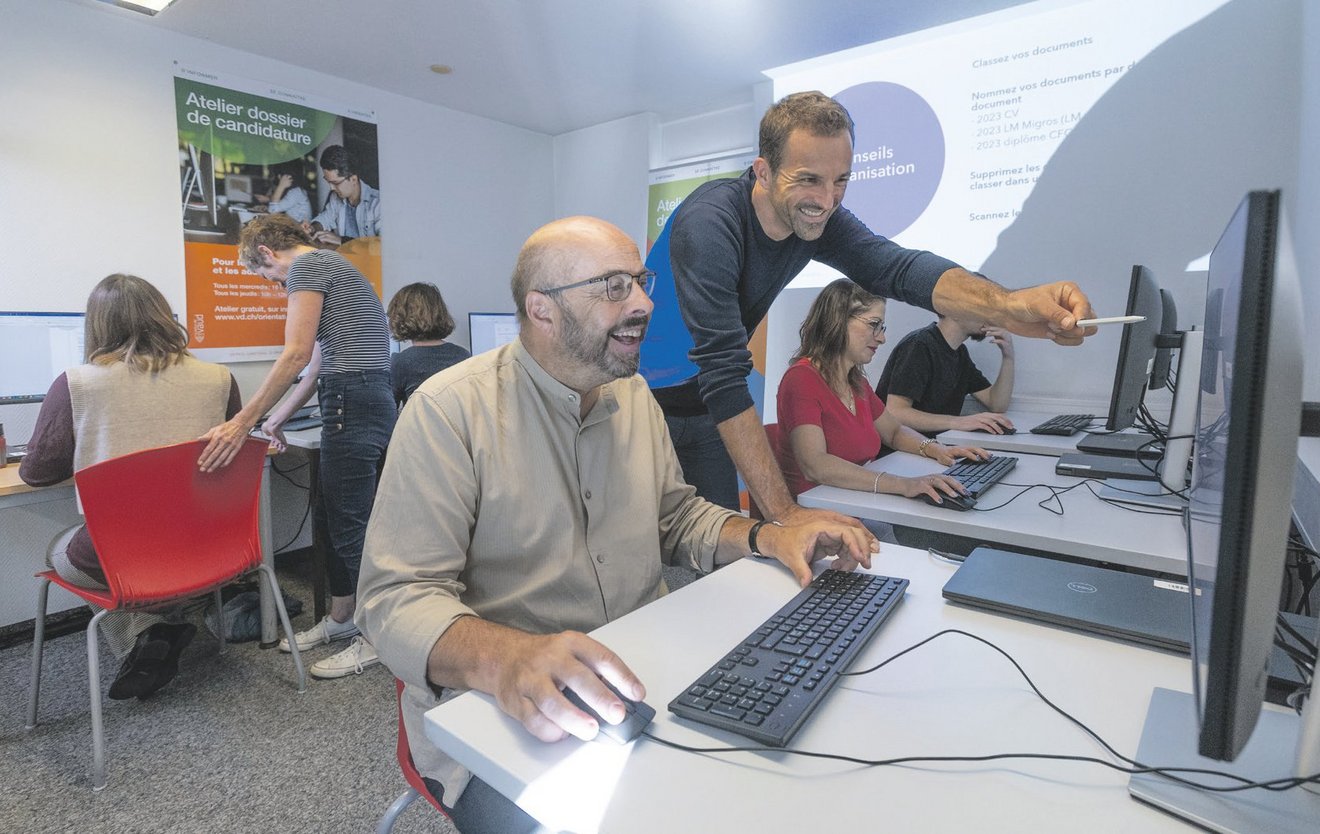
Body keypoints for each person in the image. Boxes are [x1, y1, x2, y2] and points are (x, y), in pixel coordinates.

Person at [356, 216, 878, 834]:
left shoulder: (633, 399)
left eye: (640, 281)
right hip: (505, 715)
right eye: (613, 287)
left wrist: (769, 533)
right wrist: (508, 657)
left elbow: (676, 517)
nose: (644, 304)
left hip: (644, 673)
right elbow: (392, 600)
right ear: (541, 310)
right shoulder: (448, 413)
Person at [641, 90, 1096, 523]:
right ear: (762, 172)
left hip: (700, 407)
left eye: (841, 180)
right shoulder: (710, 222)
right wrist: (787, 517)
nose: (826, 200)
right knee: (637, 556)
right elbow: (723, 367)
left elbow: (895, 266)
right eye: (808, 180)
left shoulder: (815, 219)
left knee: (718, 549)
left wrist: (1011, 306)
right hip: (640, 402)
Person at [20, 274, 241, 700]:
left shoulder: (77, 383)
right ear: (163, 317)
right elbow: (233, 455)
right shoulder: (219, 378)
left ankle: (146, 631)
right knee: (155, 545)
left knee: (61, 552)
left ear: (97, 326)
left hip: (127, 557)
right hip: (212, 549)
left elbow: (37, 473)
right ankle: (159, 623)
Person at [198, 213, 394, 681]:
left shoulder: (307, 269)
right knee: (331, 514)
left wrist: (241, 424)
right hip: (360, 395)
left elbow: (295, 353)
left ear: (266, 253)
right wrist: (275, 418)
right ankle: (344, 618)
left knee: (351, 526)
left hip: (353, 399)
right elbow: (316, 363)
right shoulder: (335, 267)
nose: (272, 284)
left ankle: (379, 636)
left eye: (266, 276)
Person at [777, 279, 989, 511]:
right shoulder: (801, 379)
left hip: (854, 506)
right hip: (813, 517)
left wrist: (938, 449)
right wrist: (903, 485)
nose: (882, 338)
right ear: (837, 321)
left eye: (882, 327)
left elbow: (894, 431)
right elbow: (815, 465)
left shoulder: (855, 380)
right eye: (873, 324)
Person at [875, 314, 1016, 436]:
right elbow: (896, 413)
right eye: (980, 308)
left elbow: (997, 404)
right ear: (953, 309)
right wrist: (958, 422)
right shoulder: (919, 345)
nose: (989, 316)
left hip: (934, 449)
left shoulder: (960, 353)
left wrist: (1008, 356)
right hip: (898, 455)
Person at [386, 282, 471, 407]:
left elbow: (388, 410)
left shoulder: (401, 362)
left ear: (399, 317)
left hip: (419, 426)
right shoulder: (463, 355)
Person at [306, 144, 382, 247]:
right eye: (328, 182)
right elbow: (324, 219)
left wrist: (342, 241)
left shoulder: (378, 203)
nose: (332, 188)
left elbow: (383, 247)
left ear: (353, 179)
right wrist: (312, 228)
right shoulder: (336, 197)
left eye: (336, 183)